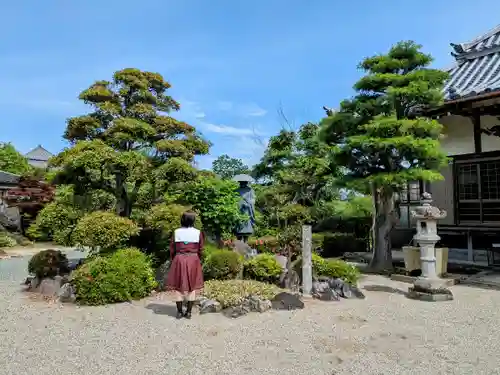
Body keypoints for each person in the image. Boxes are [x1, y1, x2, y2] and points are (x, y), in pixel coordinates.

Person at [165, 211, 204, 319]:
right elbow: (201, 249)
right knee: (192, 286)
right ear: (193, 220)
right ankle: (189, 312)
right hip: (193, 259)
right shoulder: (198, 232)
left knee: (178, 285)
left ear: (182, 220)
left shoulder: (176, 232)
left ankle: (179, 312)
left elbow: (172, 248)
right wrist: (198, 259)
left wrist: (174, 259)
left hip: (179, 258)